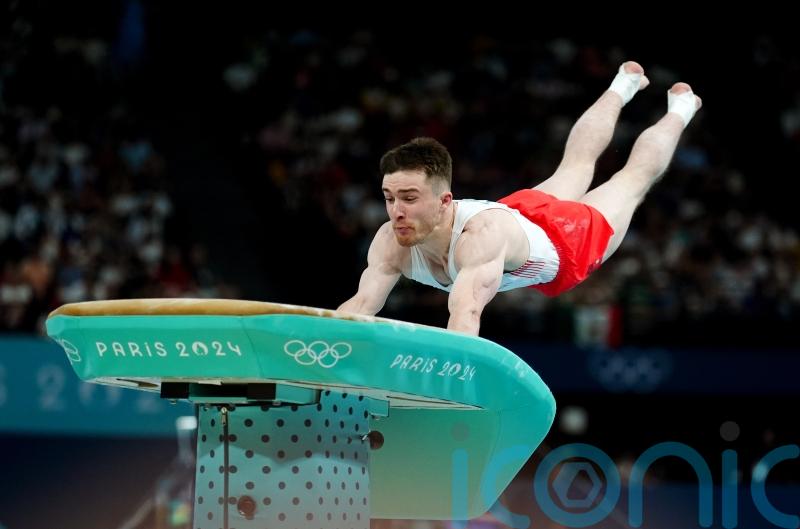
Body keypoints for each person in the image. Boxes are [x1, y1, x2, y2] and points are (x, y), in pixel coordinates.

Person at [338, 61, 702, 336]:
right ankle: (624, 84)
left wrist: (450, 386)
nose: (396, 212)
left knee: (631, 179)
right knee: (574, 165)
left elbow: (465, 315)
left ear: (446, 200)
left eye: (409, 198)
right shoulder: (390, 240)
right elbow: (360, 307)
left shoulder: (478, 240)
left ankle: (681, 109)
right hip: (520, 213)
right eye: (389, 197)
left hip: (565, 243)